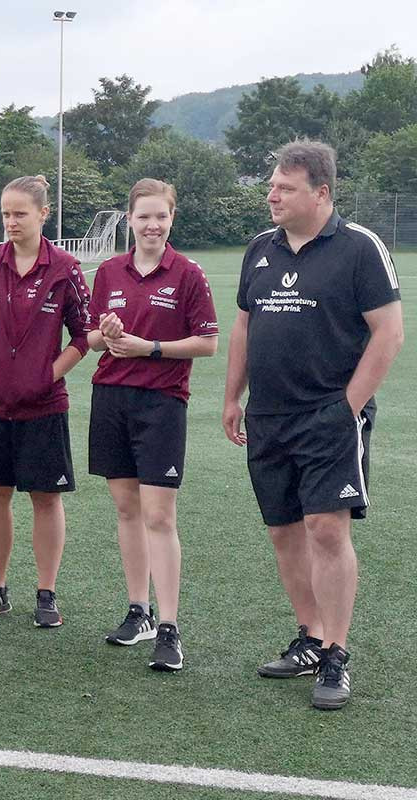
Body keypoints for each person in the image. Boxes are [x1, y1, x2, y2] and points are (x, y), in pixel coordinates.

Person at [223, 140, 403, 710]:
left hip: (329, 416)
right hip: (268, 416)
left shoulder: (360, 248)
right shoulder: (259, 250)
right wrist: (232, 398)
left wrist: (346, 407)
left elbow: (389, 333)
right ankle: (309, 635)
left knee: (327, 528)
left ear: (321, 193)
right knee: (284, 530)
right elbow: (244, 329)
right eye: (272, 184)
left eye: (285, 187)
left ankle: (336, 653)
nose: (271, 194)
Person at [86, 179, 219, 672]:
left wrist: (151, 348)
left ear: (171, 219)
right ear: (130, 219)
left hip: (162, 402)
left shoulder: (187, 273)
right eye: (143, 216)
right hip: (111, 398)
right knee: (125, 510)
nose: (152, 225)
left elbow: (208, 343)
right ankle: (137, 611)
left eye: (160, 216)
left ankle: (169, 626)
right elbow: (94, 339)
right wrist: (108, 334)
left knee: (159, 515)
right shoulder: (109, 271)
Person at [0, 175, 91, 628]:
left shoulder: (64, 268)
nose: (11, 222)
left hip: (44, 406)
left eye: (20, 214)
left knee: (46, 499)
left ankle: (46, 593)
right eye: (6, 214)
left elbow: (84, 334)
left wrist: (47, 374)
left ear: (42, 215)